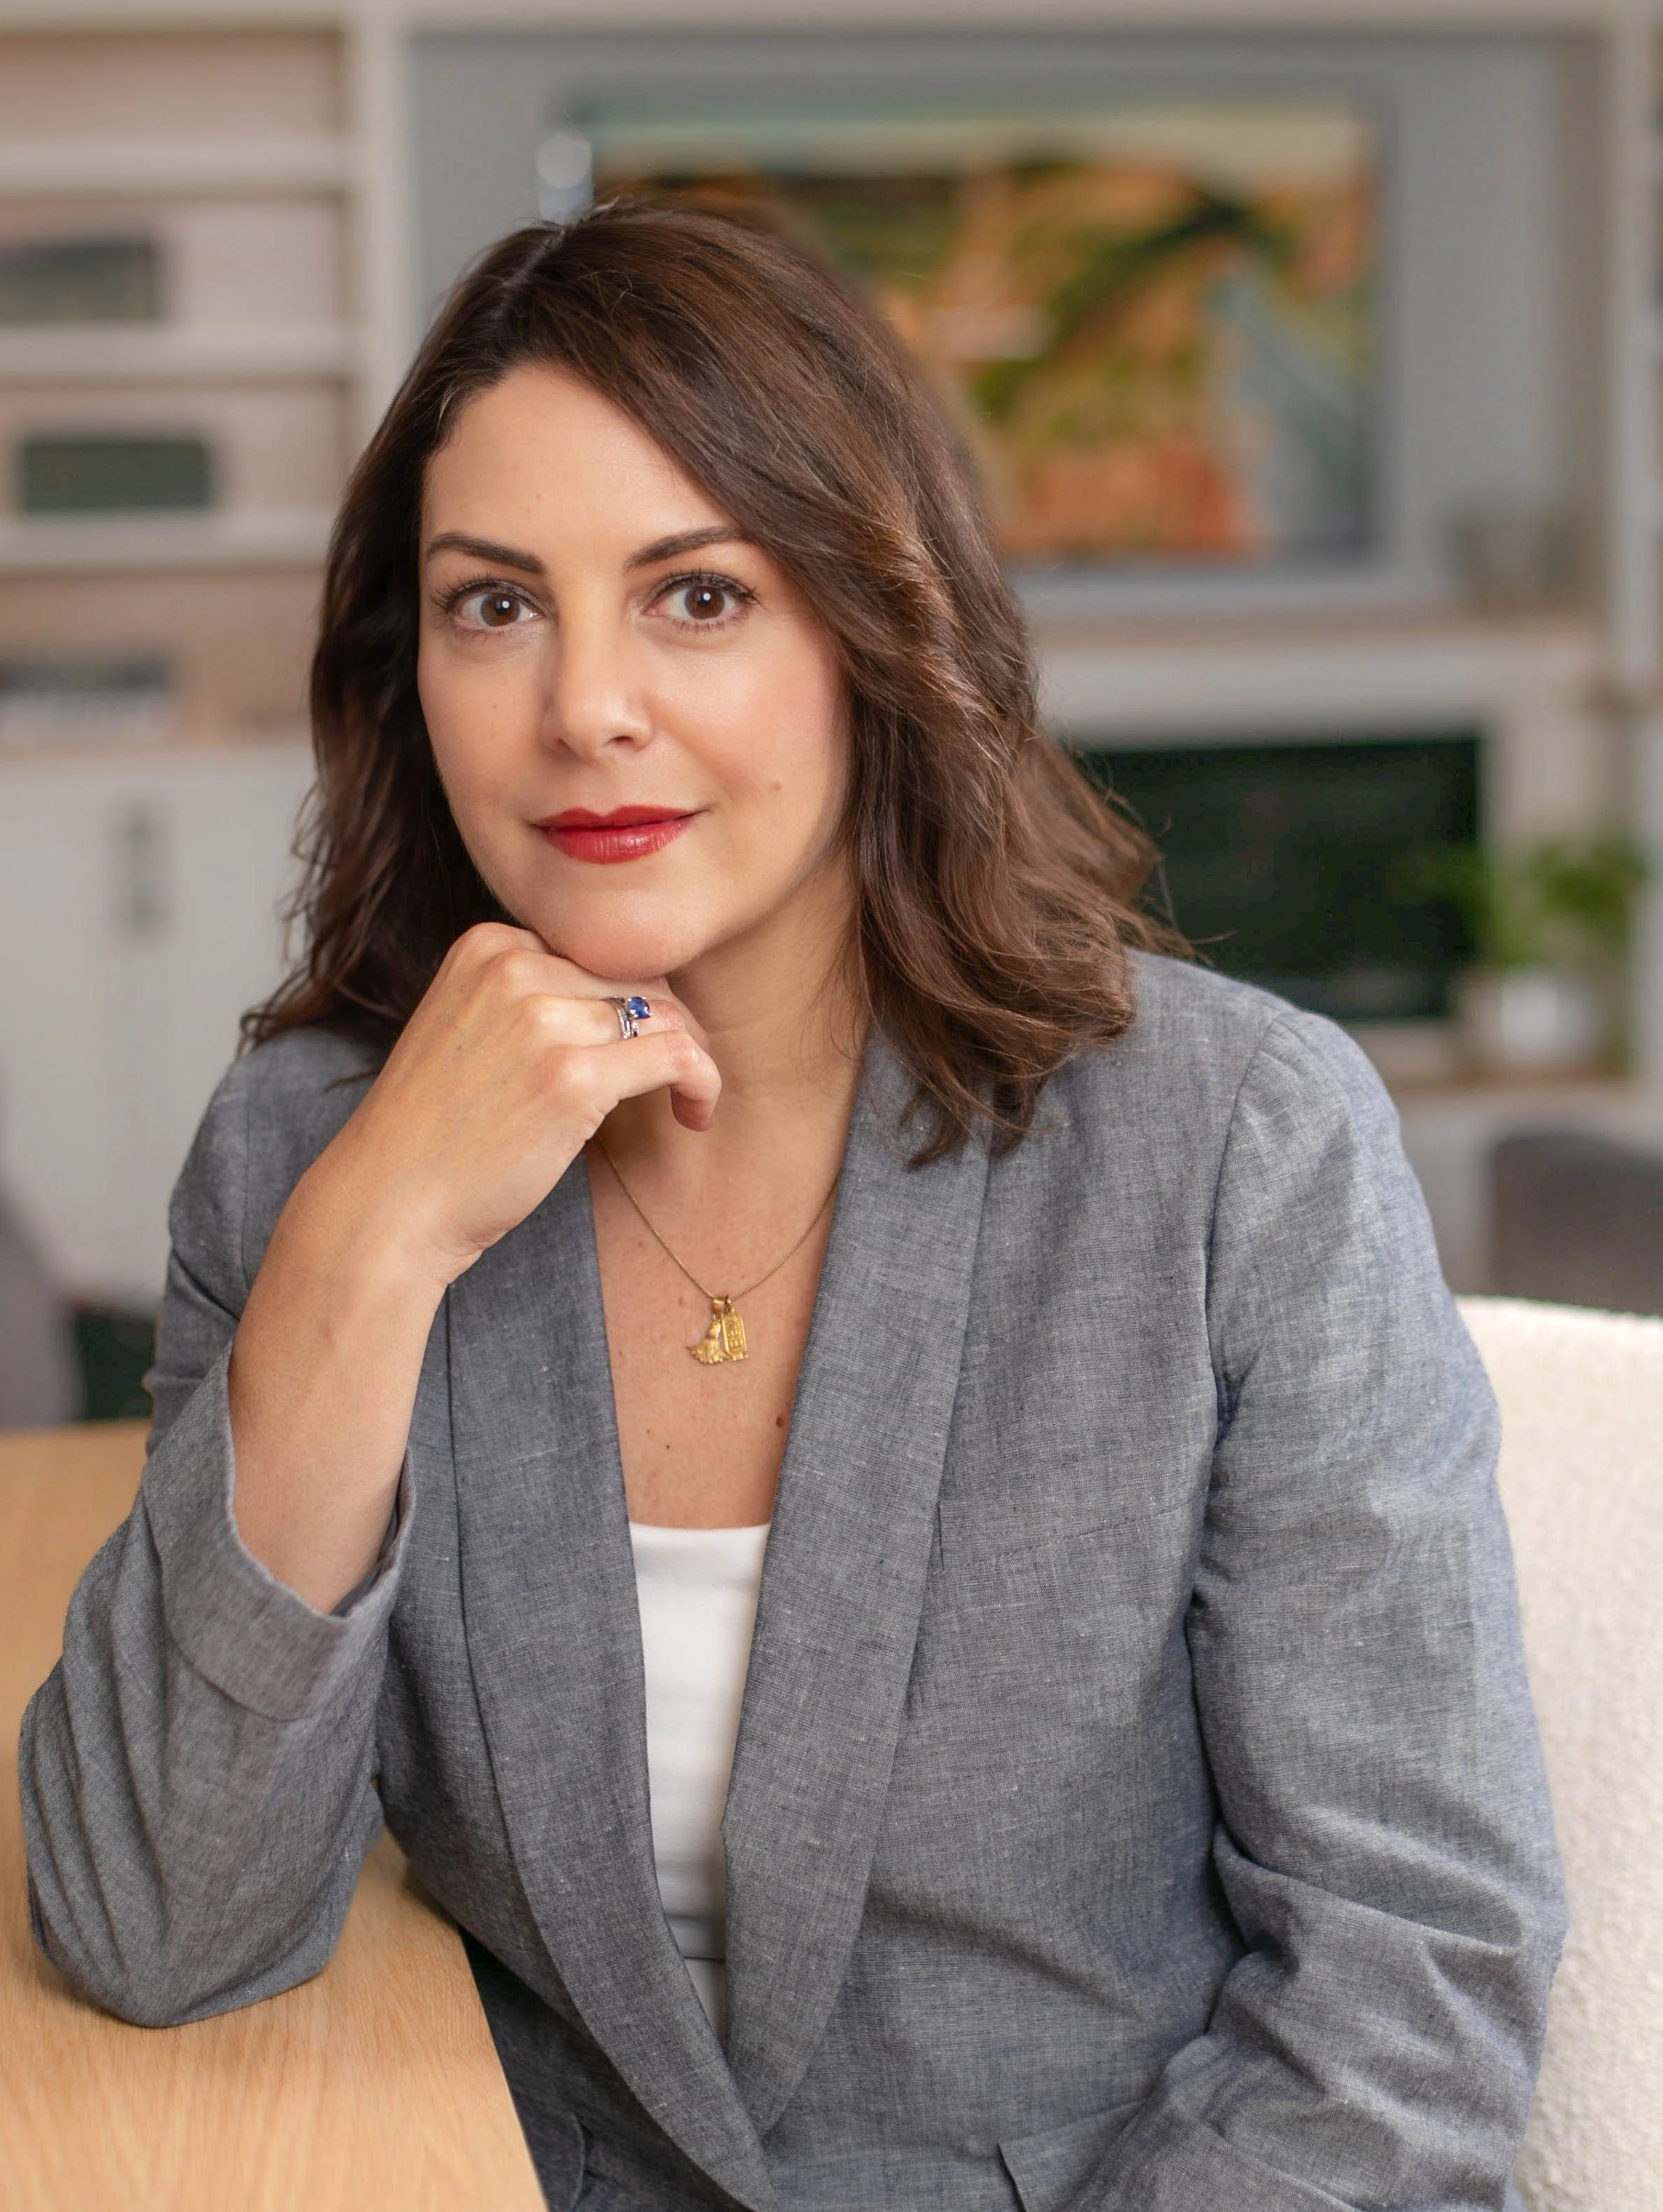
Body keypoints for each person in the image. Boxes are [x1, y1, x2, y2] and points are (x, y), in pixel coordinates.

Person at [20, 205, 1562, 2212]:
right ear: (410, 667)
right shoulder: (315, 1145)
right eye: (495, 606)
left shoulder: (1236, 1144)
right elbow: (158, 1922)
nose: (586, 710)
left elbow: (1409, 1992)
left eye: (697, 598)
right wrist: (371, 1237)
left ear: (870, 625)